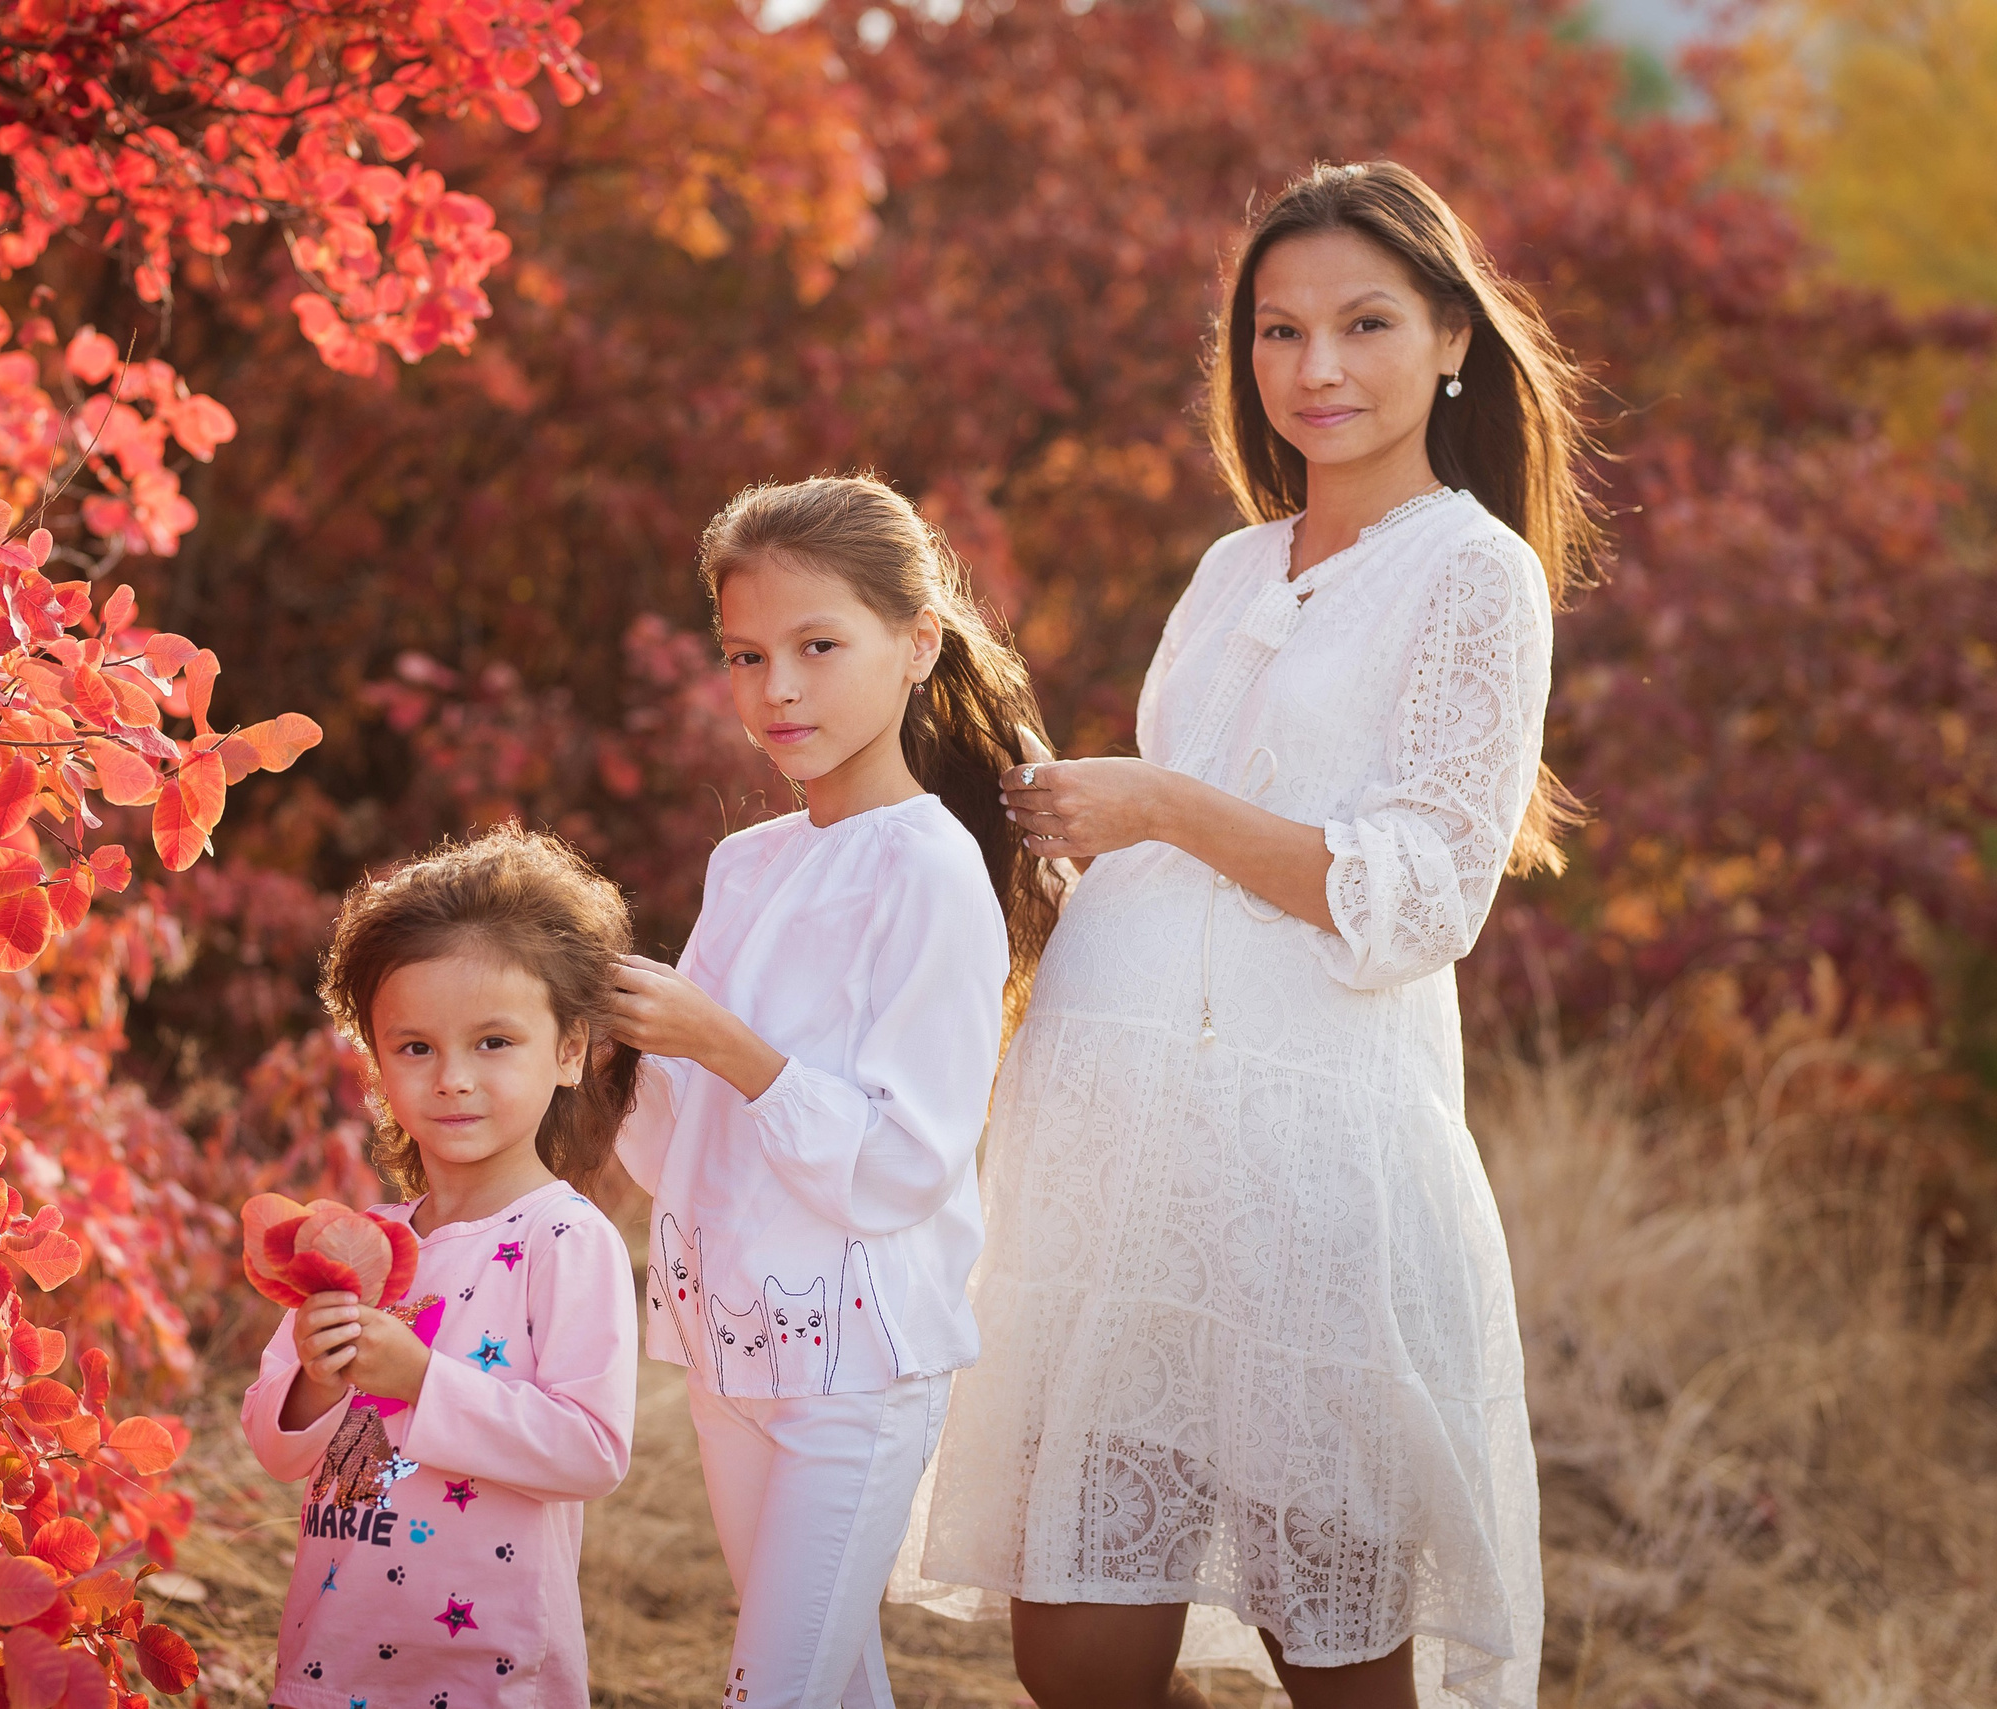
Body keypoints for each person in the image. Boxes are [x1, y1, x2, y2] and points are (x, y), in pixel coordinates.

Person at [901, 161, 1597, 1709]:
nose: (1319, 369)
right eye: (1280, 333)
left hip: (1306, 1150)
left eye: (1363, 324)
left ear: (1452, 341)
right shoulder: (1230, 568)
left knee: (1334, 1606)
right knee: (1075, 1603)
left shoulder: (1474, 572)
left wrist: (1160, 803)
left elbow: (1424, 893)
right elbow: (1159, 858)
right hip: (1111, 1134)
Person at [608, 473, 1057, 1709]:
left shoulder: (931, 870)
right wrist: (604, 1042)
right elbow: (670, 1146)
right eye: (746, 655)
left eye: (817, 646)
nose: (778, 690)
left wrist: (728, 1044)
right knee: (829, 1680)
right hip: (728, 1344)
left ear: (915, 646)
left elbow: (903, 1163)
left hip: (854, 1371)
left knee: (777, 1692)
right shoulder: (747, 863)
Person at [240, 825, 642, 1708]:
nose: (453, 1077)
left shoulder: (565, 1240)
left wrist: (422, 1379)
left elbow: (593, 1450)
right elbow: (275, 1444)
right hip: (334, 1652)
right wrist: (314, 1375)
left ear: (569, 1048)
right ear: (378, 1064)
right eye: (416, 1047)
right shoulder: (357, 1240)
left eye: (494, 1042)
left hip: (489, 1664)